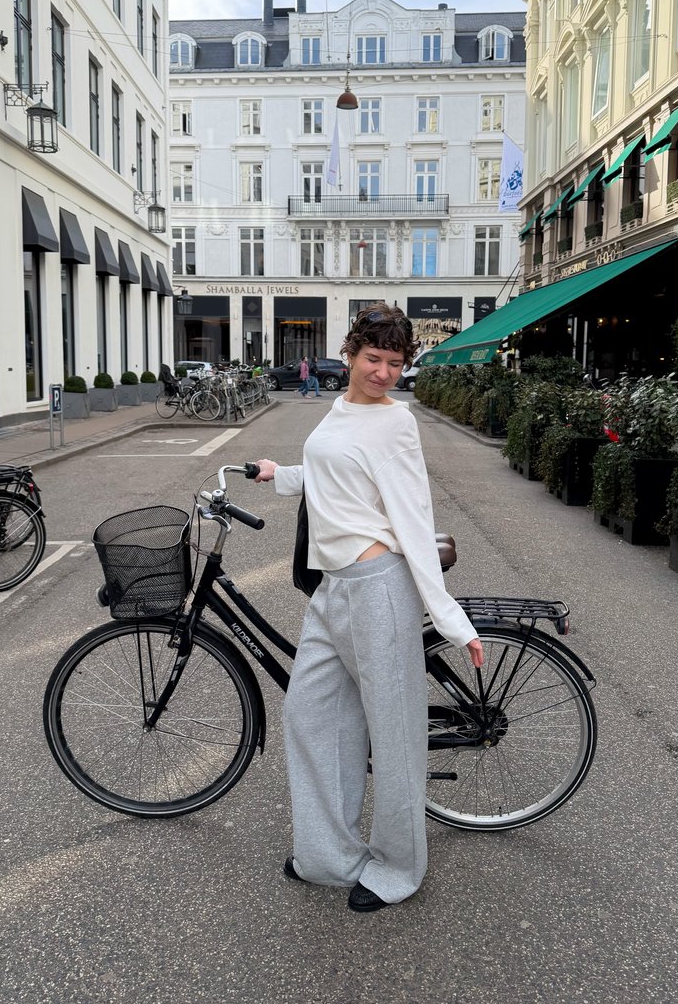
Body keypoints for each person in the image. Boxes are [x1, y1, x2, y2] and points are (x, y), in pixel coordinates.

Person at [254, 304, 484, 914]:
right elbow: (336, 473)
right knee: (309, 715)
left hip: (379, 586)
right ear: (350, 354)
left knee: (394, 732)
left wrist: (449, 617)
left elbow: (414, 516)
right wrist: (282, 474)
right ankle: (328, 854)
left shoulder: (396, 423)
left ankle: (398, 868)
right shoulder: (342, 408)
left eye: (394, 362)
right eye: (372, 358)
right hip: (333, 590)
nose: (382, 372)